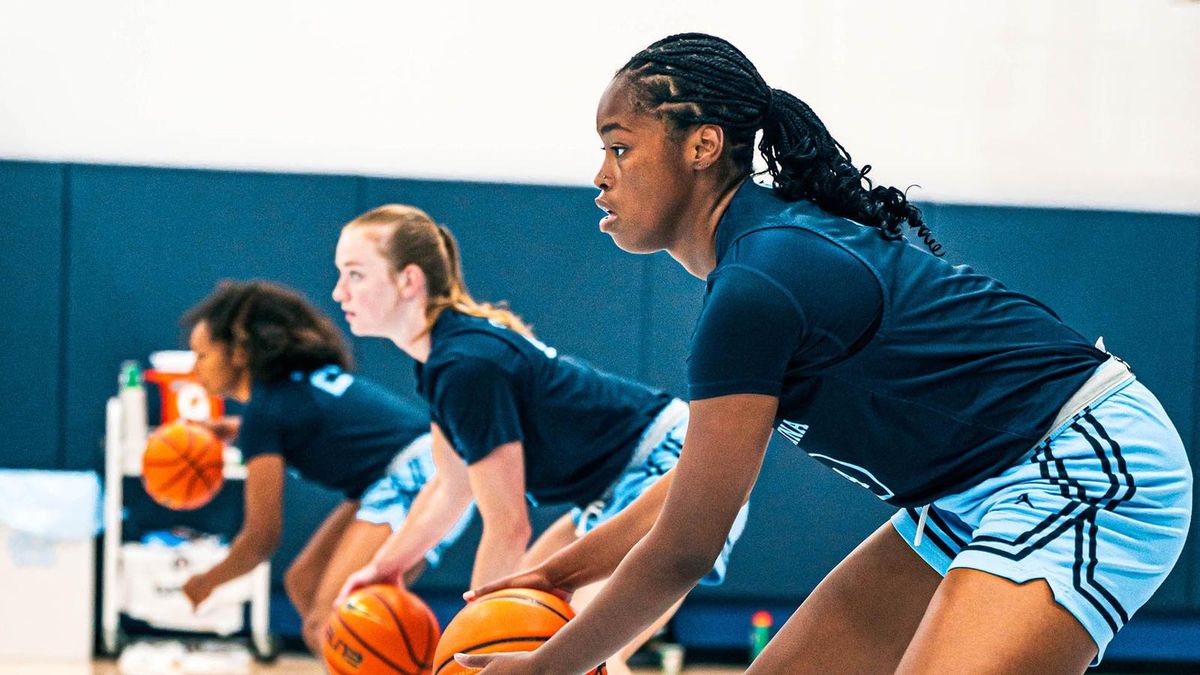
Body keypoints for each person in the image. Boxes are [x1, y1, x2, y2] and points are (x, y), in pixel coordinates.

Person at [456, 33, 1193, 674]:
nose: (601, 173)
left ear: (702, 145)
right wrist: (557, 573)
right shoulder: (756, 267)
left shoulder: (758, 283)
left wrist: (547, 665)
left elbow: (686, 547)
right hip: (973, 490)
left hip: (1086, 464)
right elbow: (687, 493)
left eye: (619, 146)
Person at [330, 204, 746, 675]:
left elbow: (507, 525)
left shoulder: (466, 364)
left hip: (662, 466)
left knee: (588, 651)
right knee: (530, 620)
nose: (339, 291)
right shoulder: (442, 359)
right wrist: (387, 566)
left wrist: (466, 653)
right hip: (610, 484)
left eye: (355, 274)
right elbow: (451, 487)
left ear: (408, 281)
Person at [177, 280, 470, 654]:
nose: (194, 368)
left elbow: (260, 539)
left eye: (202, 355)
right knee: (305, 584)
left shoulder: (265, 413)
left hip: (420, 478)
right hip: (417, 469)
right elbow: (311, 426)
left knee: (331, 624)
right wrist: (236, 432)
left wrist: (205, 582)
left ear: (237, 352)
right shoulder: (284, 393)